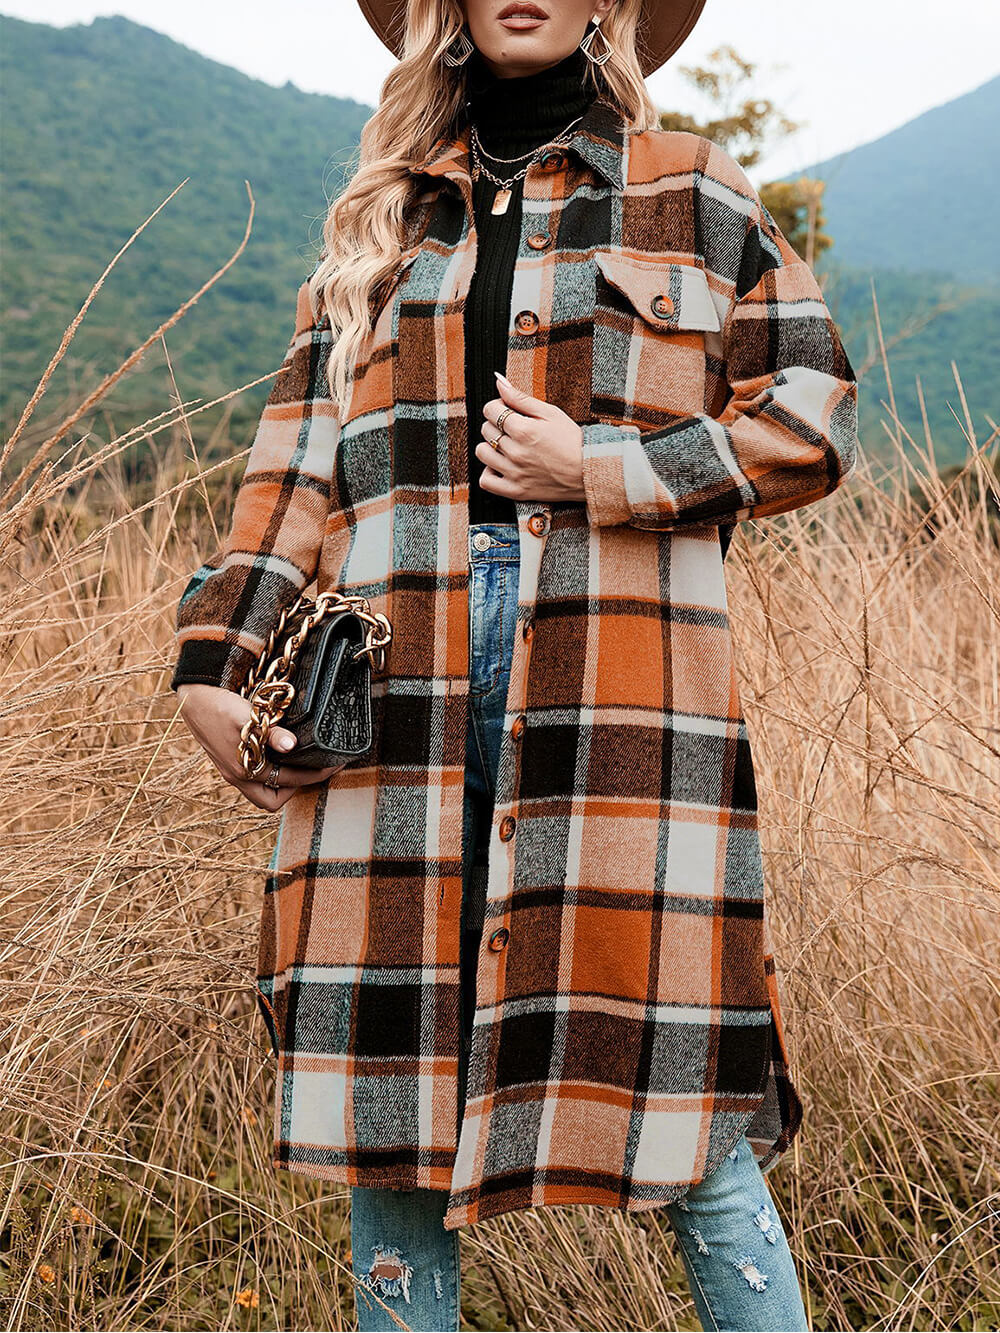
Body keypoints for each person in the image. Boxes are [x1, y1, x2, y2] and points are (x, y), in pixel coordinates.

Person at [170, 2, 858, 1329]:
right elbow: (294, 468)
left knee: (689, 1114)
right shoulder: (384, 223)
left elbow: (811, 416)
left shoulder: (692, 193)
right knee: (390, 1127)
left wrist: (603, 467)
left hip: (621, 698)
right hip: (393, 702)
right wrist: (214, 658)